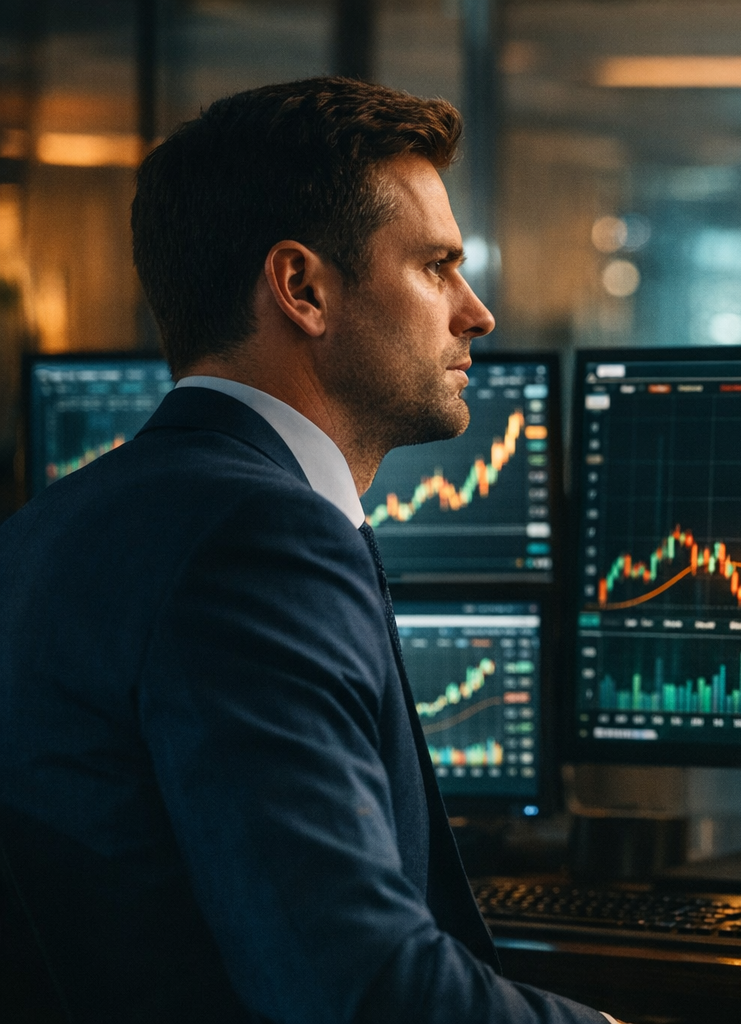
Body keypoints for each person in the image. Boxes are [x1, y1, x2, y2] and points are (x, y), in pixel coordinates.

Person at [0, 78, 616, 1023]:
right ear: (302, 289)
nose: (476, 312)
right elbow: (352, 983)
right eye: (437, 266)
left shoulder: (51, 525)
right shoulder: (261, 540)